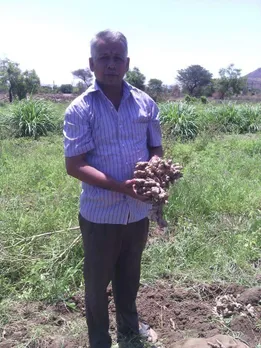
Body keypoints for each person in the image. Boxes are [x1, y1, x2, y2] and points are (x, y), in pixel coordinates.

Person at [63, 29, 163, 348]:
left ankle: (129, 330)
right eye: (104, 58)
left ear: (127, 63)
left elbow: (156, 148)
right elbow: (74, 165)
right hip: (100, 215)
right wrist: (121, 186)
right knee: (96, 284)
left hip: (137, 212)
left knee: (129, 276)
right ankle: (99, 340)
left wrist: (152, 172)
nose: (111, 64)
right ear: (91, 63)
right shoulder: (80, 109)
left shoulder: (145, 104)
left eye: (117, 57)